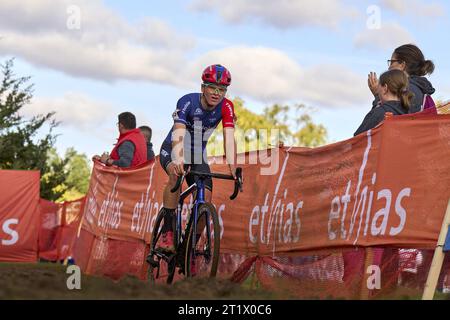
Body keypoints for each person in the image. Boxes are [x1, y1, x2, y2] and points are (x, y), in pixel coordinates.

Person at [157, 64, 237, 252]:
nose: (217, 93)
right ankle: (167, 232)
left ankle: (190, 250)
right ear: (203, 88)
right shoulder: (187, 102)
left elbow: (229, 139)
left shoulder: (227, 107)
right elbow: (179, 133)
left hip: (197, 155)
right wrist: (178, 159)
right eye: (212, 87)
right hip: (173, 148)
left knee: (206, 198)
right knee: (175, 176)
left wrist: (233, 168)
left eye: (222, 89)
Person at [368, 44, 435, 114]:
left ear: (402, 65)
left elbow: (380, 118)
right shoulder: (421, 90)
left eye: (391, 62)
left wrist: (378, 95)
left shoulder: (402, 89)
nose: (389, 68)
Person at [354, 69, 414, 136]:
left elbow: (357, 139)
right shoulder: (409, 115)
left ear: (385, 88)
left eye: (378, 86)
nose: (378, 90)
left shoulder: (380, 113)